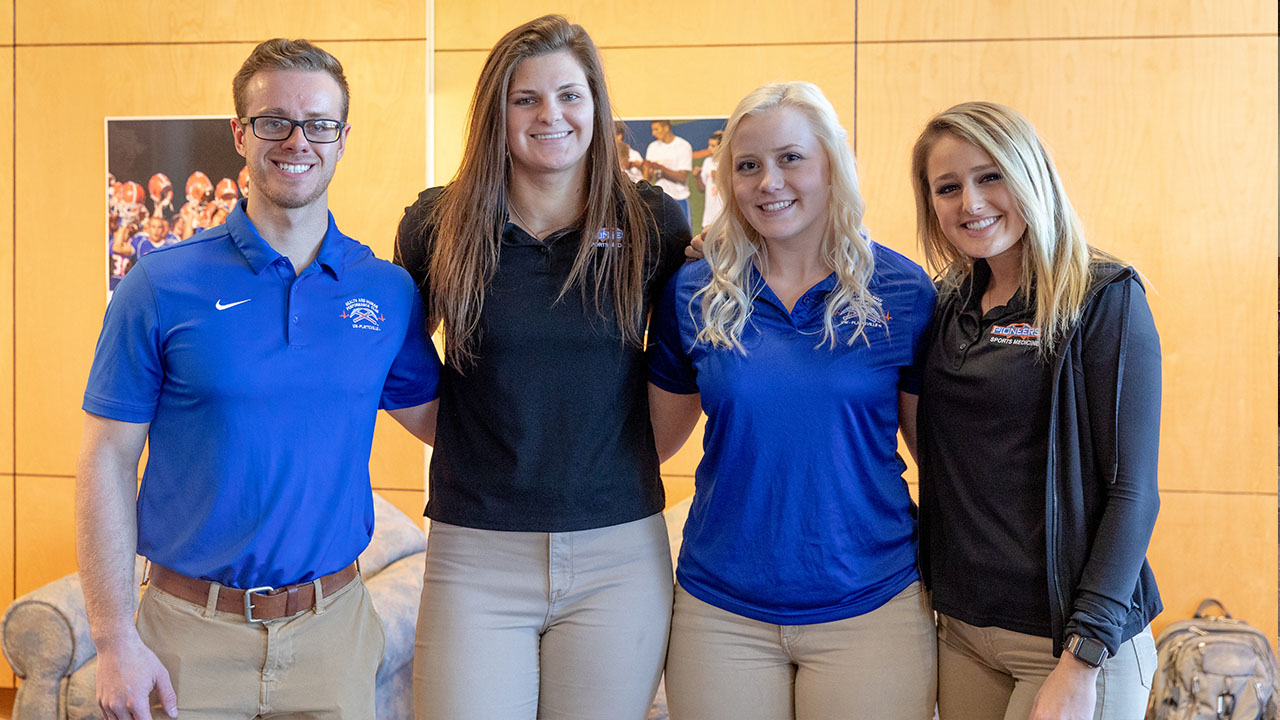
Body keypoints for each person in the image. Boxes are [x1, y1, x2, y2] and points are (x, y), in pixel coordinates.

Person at [76, 38, 442, 720]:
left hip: (332, 635)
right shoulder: (158, 283)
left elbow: (455, 427)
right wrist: (113, 636)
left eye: (319, 123)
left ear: (342, 138)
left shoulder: (386, 292)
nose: (296, 139)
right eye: (273, 120)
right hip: (186, 637)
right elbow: (106, 459)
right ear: (240, 134)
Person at [394, 14, 690, 720]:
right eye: (525, 99)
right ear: (496, 114)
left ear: (596, 106)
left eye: (569, 95)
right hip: (476, 554)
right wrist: (481, 440)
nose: (550, 115)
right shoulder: (440, 224)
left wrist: (598, 458)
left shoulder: (653, 223)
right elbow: (397, 364)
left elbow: (678, 378)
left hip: (619, 553)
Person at [648, 81, 938, 720]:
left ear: (832, 162)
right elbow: (648, 444)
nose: (767, 181)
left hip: (871, 605)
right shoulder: (693, 291)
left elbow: (941, 463)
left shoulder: (904, 292)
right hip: (720, 612)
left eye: (790, 158)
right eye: (747, 166)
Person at [911, 101, 1161, 720]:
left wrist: (1082, 656)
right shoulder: (942, 303)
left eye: (990, 176)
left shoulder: (1103, 297)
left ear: (1031, 175)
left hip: (1069, 641)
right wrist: (728, 251)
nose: (970, 202)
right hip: (964, 632)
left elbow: (1133, 491)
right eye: (948, 187)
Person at [644, 118, 694, 226]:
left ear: (666, 128)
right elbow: (648, 177)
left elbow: (682, 177)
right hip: (659, 200)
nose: (653, 133)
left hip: (678, 199)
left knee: (684, 237)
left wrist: (661, 168)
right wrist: (647, 168)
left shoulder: (683, 146)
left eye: (656, 129)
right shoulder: (652, 147)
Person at [694, 129, 724, 229]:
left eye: (713, 146)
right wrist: (697, 176)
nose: (709, 148)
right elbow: (702, 189)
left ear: (721, 146)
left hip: (724, 216)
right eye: (709, 145)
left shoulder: (728, 162)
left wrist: (720, 177)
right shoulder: (707, 162)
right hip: (709, 217)